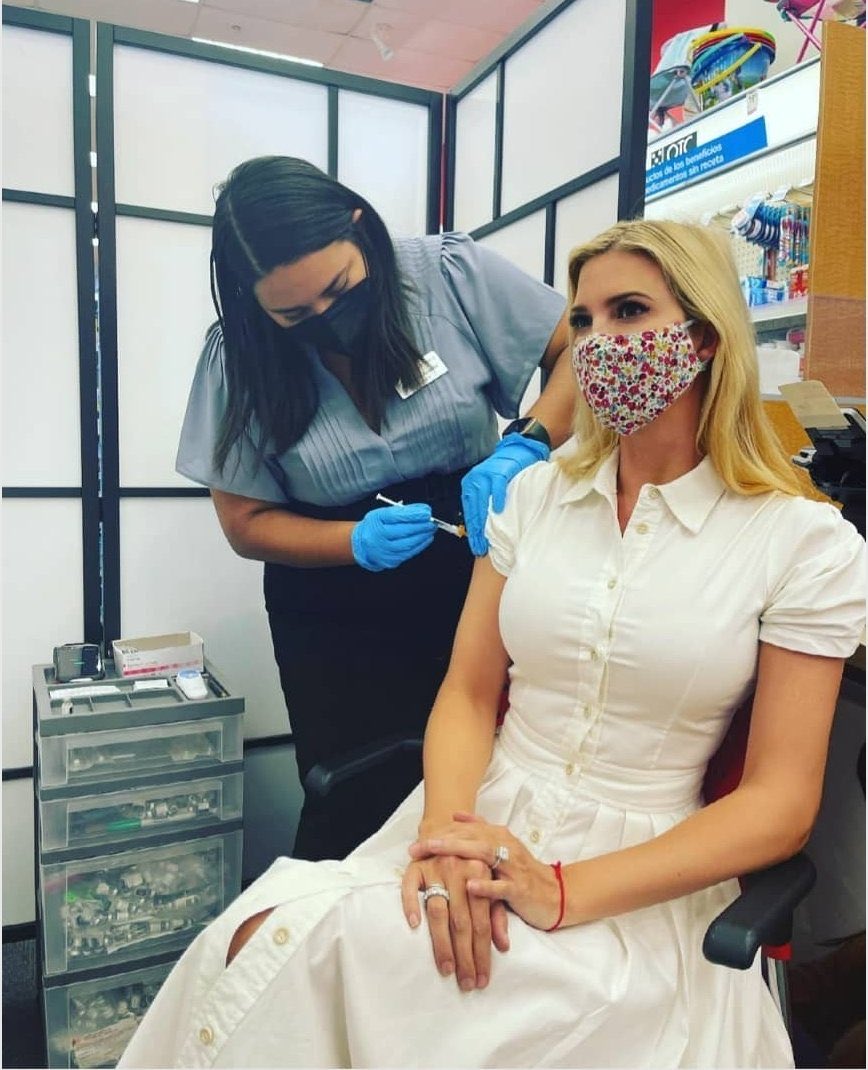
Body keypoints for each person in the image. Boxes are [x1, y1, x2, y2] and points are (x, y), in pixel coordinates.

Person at [119, 219, 865, 1069]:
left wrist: (559, 890)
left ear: (703, 336)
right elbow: (470, 692)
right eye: (581, 321)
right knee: (251, 938)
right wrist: (445, 839)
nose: (597, 342)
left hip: (637, 873)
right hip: (476, 813)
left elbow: (779, 804)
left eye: (628, 311)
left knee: (386, 985)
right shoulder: (534, 500)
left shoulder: (802, 544)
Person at [177, 156, 574, 860]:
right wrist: (352, 542)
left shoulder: (447, 275)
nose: (325, 321)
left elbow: (577, 348)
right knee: (357, 795)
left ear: (359, 228)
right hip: (334, 607)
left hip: (476, 567)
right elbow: (243, 522)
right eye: (293, 315)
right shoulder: (237, 357)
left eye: (338, 290)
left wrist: (529, 441)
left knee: (488, 772)